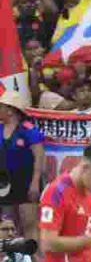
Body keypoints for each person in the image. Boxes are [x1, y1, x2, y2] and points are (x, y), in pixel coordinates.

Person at [0, 90, 44, 240]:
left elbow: (39, 157)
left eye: (1, 106)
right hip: (4, 183)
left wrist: (35, 183)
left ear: (11, 110)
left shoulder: (28, 130)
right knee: (6, 225)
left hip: (26, 181)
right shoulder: (0, 129)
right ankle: (10, 261)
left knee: (29, 225)